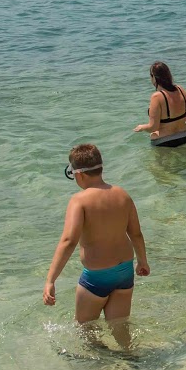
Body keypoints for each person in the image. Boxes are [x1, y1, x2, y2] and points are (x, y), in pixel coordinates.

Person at [43, 142, 150, 348]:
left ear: (78, 174)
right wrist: (142, 261)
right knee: (119, 328)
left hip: (96, 277)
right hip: (124, 272)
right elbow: (135, 233)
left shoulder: (79, 201)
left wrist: (50, 280)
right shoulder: (122, 194)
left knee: (85, 329)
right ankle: (130, 360)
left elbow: (68, 241)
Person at [135, 61, 186, 147]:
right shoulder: (180, 89)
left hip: (164, 142)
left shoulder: (156, 97)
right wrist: (176, 122)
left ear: (154, 78)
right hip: (185, 137)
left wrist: (142, 127)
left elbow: (153, 127)